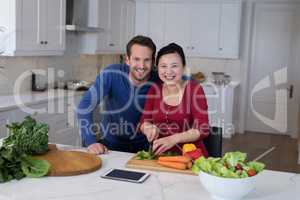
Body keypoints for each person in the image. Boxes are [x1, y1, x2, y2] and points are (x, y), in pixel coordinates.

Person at [77, 35, 157, 154]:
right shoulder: (111, 74)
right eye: (136, 59)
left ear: (153, 61)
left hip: (144, 149)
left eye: (147, 60)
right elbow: (85, 105)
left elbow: (183, 81)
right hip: (111, 146)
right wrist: (91, 141)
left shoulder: (158, 80)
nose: (141, 66)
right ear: (127, 60)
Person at [139, 43, 210, 156]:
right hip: (160, 157)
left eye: (174, 66)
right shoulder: (154, 89)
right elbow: (144, 121)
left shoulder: (194, 89)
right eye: (163, 66)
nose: (169, 71)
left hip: (191, 157)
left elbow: (203, 128)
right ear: (157, 68)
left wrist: (173, 139)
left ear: (184, 68)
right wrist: (148, 128)